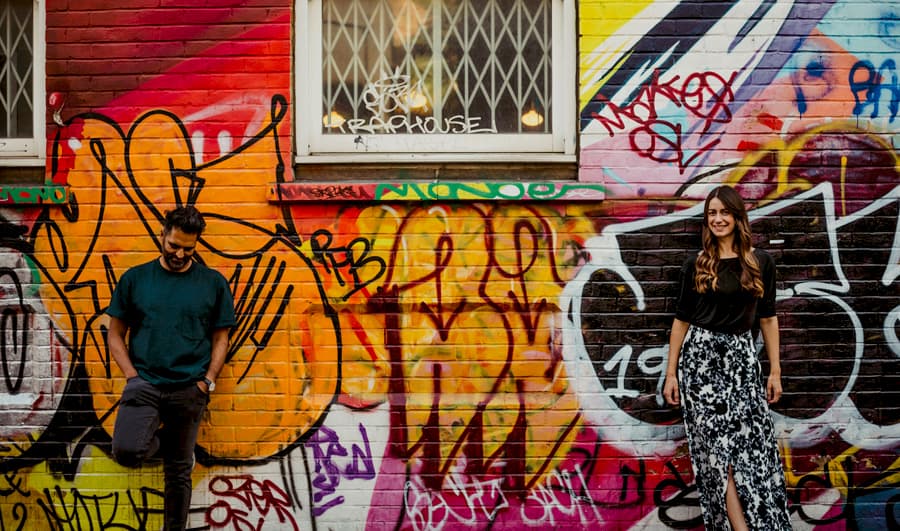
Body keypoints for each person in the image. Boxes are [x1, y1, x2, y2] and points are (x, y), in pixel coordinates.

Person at [663, 185, 790, 530]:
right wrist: (671, 373)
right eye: (712, 214)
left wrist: (774, 371)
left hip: (743, 362)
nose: (718, 219)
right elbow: (681, 320)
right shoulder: (697, 264)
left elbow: (768, 318)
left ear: (737, 217)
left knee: (751, 449)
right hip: (701, 364)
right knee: (718, 454)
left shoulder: (761, 262)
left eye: (724, 213)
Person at [106, 206, 235, 531]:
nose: (179, 254)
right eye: (173, 245)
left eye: (188, 249)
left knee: (178, 473)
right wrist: (131, 377)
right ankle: (171, 442)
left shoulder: (213, 283)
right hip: (145, 384)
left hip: (190, 388)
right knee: (126, 451)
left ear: (196, 244)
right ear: (162, 236)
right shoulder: (135, 279)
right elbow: (115, 332)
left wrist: (207, 382)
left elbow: (221, 339)